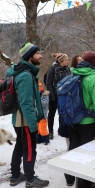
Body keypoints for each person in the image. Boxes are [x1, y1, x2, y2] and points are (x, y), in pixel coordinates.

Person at [7, 43, 49, 187]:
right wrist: (33, 124)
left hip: (19, 118)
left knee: (20, 146)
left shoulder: (23, 72)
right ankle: (30, 179)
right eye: (38, 53)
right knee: (30, 149)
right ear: (30, 57)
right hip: (25, 119)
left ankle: (15, 176)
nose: (41, 55)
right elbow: (26, 102)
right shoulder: (25, 75)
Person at [64, 51, 95, 187]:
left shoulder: (74, 74)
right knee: (86, 155)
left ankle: (69, 178)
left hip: (73, 120)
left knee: (73, 150)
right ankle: (83, 184)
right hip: (88, 123)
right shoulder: (94, 79)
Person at [46, 53, 71, 140]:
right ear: (61, 61)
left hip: (64, 96)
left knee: (62, 113)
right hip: (54, 95)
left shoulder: (68, 69)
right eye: (66, 60)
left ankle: (61, 129)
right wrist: (52, 96)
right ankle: (50, 131)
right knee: (52, 114)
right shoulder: (52, 69)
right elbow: (48, 83)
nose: (68, 61)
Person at [36, 81, 50, 145]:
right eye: (38, 87)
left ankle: (46, 139)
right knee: (38, 129)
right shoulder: (34, 95)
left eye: (40, 86)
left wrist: (38, 99)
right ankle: (38, 139)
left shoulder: (45, 94)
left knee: (42, 128)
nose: (39, 88)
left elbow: (44, 104)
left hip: (43, 115)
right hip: (37, 115)